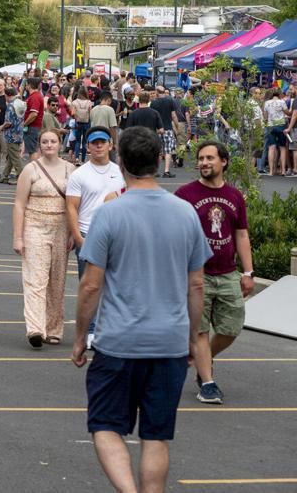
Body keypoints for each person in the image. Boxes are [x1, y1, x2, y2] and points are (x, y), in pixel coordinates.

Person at [72, 127, 210, 493]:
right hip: (169, 342)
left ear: (121, 162)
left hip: (119, 341)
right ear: (156, 162)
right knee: (156, 436)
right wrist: (190, 338)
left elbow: (90, 284)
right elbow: (196, 284)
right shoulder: (185, 213)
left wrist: (79, 337)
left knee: (105, 426)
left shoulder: (109, 214)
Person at [174, 141, 254, 405]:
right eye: (201, 158)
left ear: (224, 162)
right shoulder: (185, 194)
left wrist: (248, 272)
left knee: (232, 328)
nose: (204, 163)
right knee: (199, 330)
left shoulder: (234, 196)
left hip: (228, 273)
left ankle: (203, 358)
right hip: (196, 275)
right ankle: (207, 383)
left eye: (210, 158)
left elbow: (241, 234)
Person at [12, 129, 73, 348]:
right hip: (35, 225)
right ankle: (35, 328)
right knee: (35, 278)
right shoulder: (31, 169)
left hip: (61, 226)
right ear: (39, 145)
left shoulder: (70, 170)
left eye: (53, 141)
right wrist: (18, 237)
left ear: (60, 144)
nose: (49, 145)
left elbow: (75, 205)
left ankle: (54, 328)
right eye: (45, 142)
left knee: (57, 279)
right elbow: (19, 204)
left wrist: (73, 233)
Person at [66, 127, 125, 281]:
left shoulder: (122, 172)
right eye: (94, 143)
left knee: (115, 285)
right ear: (87, 147)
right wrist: (78, 238)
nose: (99, 146)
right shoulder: (78, 174)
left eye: (102, 142)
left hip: (116, 234)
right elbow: (71, 207)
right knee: (89, 285)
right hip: (88, 233)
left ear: (110, 145)